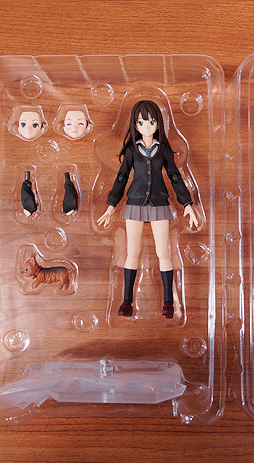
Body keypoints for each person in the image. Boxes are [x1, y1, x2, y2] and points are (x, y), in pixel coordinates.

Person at [97, 100, 198, 318]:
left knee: (164, 253)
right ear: (135, 124)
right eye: (142, 122)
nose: (147, 126)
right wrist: (111, 205)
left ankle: (168, 302)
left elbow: (174, 176)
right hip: (134, 202)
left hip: (159, 202)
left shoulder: (163, 150)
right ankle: (127, 301)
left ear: (158, 123)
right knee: (131, 253)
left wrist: (187, 203)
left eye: (151, 122)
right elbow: (122, 177)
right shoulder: (132, 150)